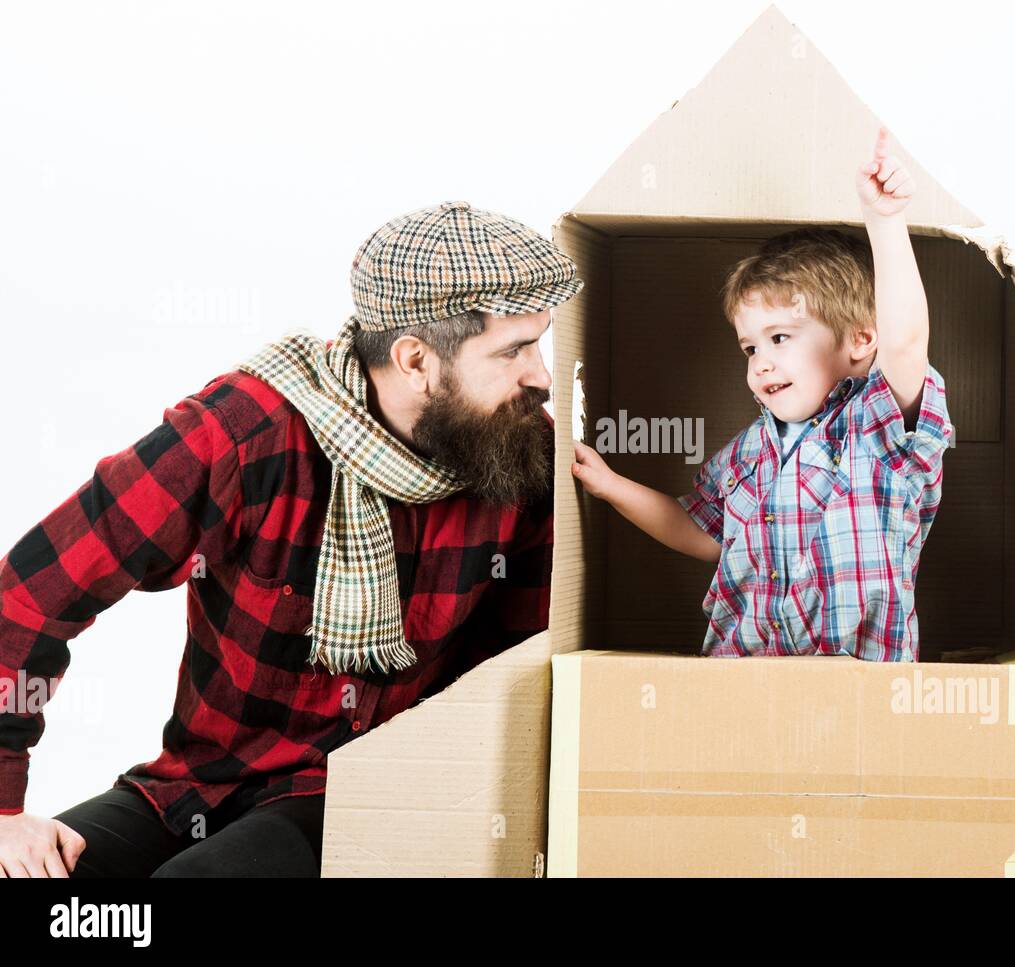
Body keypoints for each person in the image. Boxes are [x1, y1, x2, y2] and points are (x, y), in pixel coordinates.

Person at [0, 200, 580, 876]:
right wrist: (5, 812)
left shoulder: (519, 456)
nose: (541, 375)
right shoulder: (243, 436)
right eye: (513, 350)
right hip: (201, 784)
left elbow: (512, 672)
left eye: (537, 343)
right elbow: (32, 596)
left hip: (364, 796)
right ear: (416, 359)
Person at [571, 127, 954, 661]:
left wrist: (885, 221)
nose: (762, 361)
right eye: (750, 348)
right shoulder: (747, 454)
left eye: (780, 338)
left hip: (862, 692)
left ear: (862, 339)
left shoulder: (876, 426)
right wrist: (610, 486)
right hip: (745, 683)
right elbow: (702, 533)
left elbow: (907, 342)